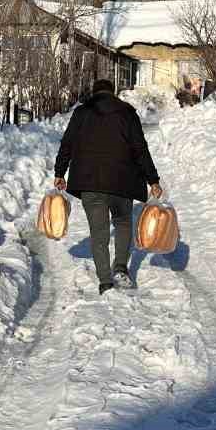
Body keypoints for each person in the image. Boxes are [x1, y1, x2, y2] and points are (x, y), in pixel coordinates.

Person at [53, 79, 162, 295]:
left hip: (89, 182)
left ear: (94, 93)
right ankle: (120, 269)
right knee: (122, 223)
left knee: (99, 232)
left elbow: (67, 144)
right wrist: (153, 179)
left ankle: (105, 280)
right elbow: (140, 149)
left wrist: (59, 172)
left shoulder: (82, 113)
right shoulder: (127, 112)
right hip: (123, 180)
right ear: (112, 93)